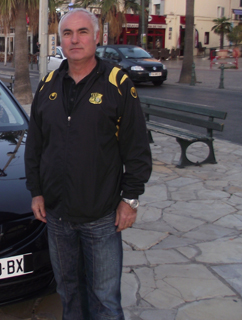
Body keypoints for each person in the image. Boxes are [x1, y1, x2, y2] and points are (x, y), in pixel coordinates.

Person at [24, 8, 152, 320]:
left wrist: (130, 199)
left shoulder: (117, 83)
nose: (75, 40)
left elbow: (136, 148)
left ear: (97, 37)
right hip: (57, 216)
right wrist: (37, 192)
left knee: (104, 299)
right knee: (69, 293)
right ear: (60, 41)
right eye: (67, 33)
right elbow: (36, 146)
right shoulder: (48, 84)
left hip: (101, 217)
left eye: (82, 32)